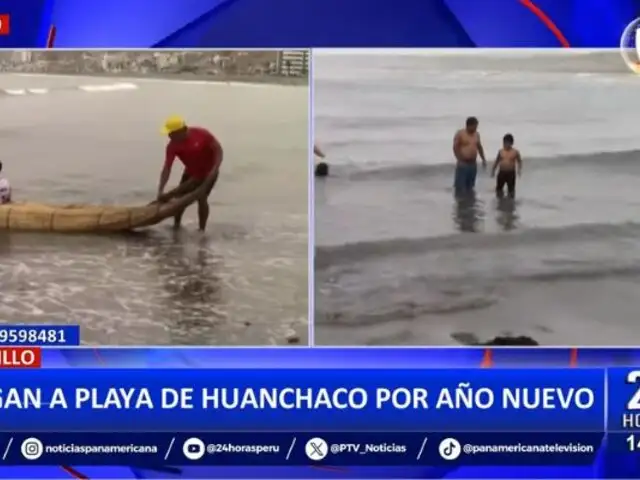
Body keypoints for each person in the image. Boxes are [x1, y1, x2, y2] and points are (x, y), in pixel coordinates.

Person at [157, 116, 223, 231]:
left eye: (171, 133)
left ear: (181, 131)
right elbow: (167, 168)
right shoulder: (172, 146)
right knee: (178, 197)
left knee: (201, 198)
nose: (169, 136)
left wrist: (215, 169)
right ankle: (176, 226)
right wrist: (161, 190)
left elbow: (218, 150)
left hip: (209, 173)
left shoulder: (202, 134)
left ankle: (202, 230)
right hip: (191, 173)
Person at [453, 117, 486, 195]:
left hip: (473, 163)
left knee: (470, 186)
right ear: (469, 125)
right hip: (463, 163)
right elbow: (455, 147)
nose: (476, 128)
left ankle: (469, 203)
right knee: (460, 186)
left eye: (476, 126)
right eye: (475, 126)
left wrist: (483, 159)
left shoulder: (476, 134)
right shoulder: (460, 134)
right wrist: (459, 159)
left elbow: (479, 147)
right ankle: (460, 203)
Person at [491, 133, 522, 198]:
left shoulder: (515, 152)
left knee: (511, 190)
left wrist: (519, 170)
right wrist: (493, 170)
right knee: (499, 189)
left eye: (507, 143)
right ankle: (499, 200)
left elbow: (519, 161)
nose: (505, 144)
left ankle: (511, 202)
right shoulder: (501, 151)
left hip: (511, 173)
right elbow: (497, 161)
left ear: (511, 143)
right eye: (504, 143)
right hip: (502, 172)